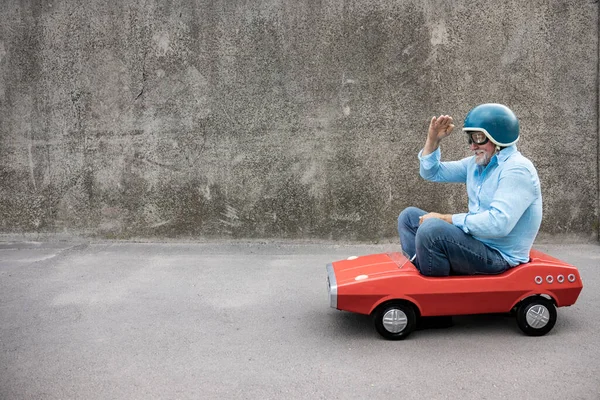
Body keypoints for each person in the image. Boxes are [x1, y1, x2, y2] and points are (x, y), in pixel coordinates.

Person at [398, 103, 542, 276]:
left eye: (479, 138)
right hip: (475, 244)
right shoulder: (477, 163)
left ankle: (435, 291)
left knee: (432, 230)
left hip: (499, 257)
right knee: (408, 217)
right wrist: (433, 141)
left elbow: (498, 224)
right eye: (471, 138)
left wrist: (446, 219)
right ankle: (421, 270)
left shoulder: (517, 170)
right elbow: (431, 173)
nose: (472, 146)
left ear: (499, 138)